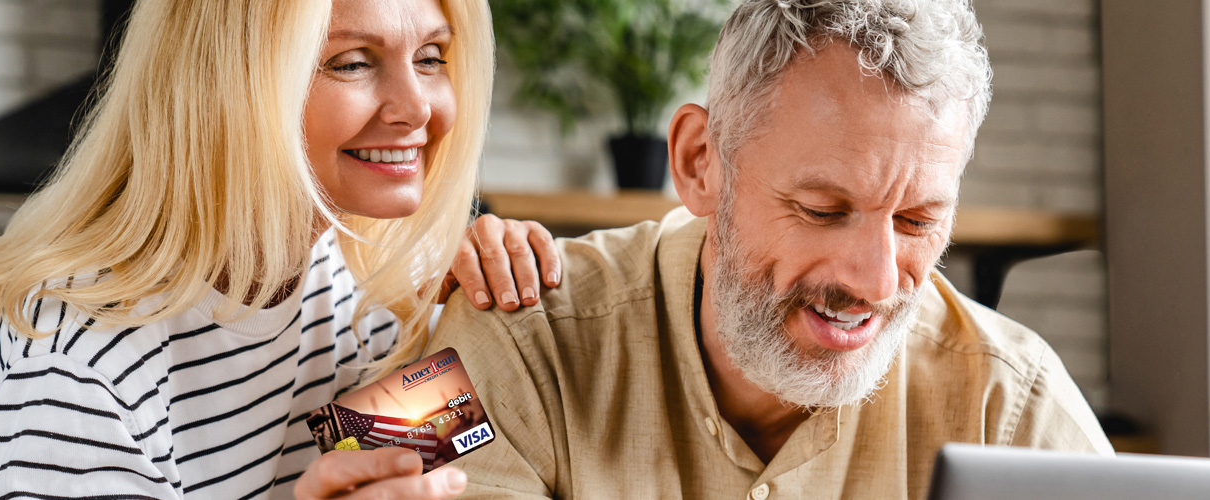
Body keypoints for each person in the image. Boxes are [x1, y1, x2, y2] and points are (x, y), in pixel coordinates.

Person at [426, 0, 1114, 498]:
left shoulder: (1011, 398)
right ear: (700, 162)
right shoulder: (511, 332)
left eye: (916, 221)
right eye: (821, 210)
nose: (876, 280)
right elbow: (372, 462)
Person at [0, 0, 545, 498]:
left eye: (431, 57)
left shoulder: (369, 284)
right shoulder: (75, 360)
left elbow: (450, 475)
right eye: (354, 63)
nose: (417, 108)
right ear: (225, 81)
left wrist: (493, 304)